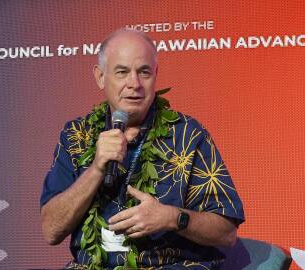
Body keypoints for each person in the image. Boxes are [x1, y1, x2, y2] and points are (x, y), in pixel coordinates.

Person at [40, 28, 245, 269]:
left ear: (155, 75)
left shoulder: (188, 134)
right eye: (122, 72)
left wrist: (171, 218)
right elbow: (51, 231)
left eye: (144, 72)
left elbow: (226, 233)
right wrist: (96, 168)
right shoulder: (76, 136)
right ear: (100, 76)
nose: (134, 84)